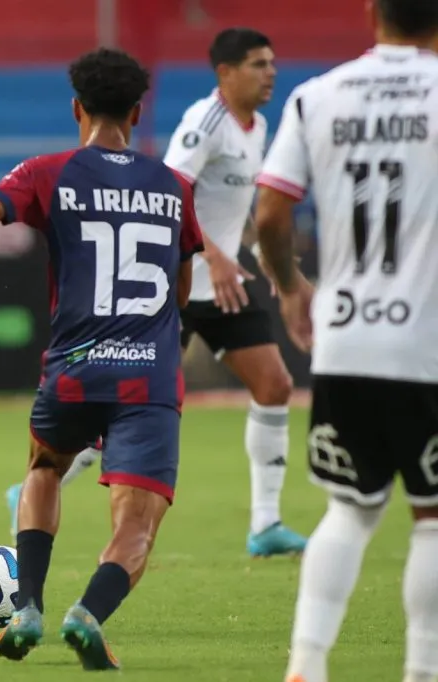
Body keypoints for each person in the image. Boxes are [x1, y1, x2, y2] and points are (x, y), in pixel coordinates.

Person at [0, 48, 204, 670]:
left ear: (76, 109)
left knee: (45, 467)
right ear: (138, 113)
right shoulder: (176, 187)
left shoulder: (46, 172)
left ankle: (27, 602)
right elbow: (181, 289)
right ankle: (88, 612)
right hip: (149, 373)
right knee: (136, 527)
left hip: (74, 367)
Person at [255, 2, 438, 681]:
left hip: (347, 335)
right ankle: (421, 671)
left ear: (371, 12)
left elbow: (271, 210)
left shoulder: (316, 97)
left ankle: (306, 663)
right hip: (426, 342)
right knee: (432, 518)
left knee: (352, 508)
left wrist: (291, 285)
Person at [163, 27, 306, 557]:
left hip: (224, 285)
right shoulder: (207, 122)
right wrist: (212, 254)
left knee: (274, 385)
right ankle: (42, 486)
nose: (270, 72)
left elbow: (238, 212)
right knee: (131, 401)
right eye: (257, 64)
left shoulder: (258, 125)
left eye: (271, 63)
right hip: (175, 281)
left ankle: (265, 526)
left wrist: (270, 262)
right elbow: (168, 190)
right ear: (225, 72)